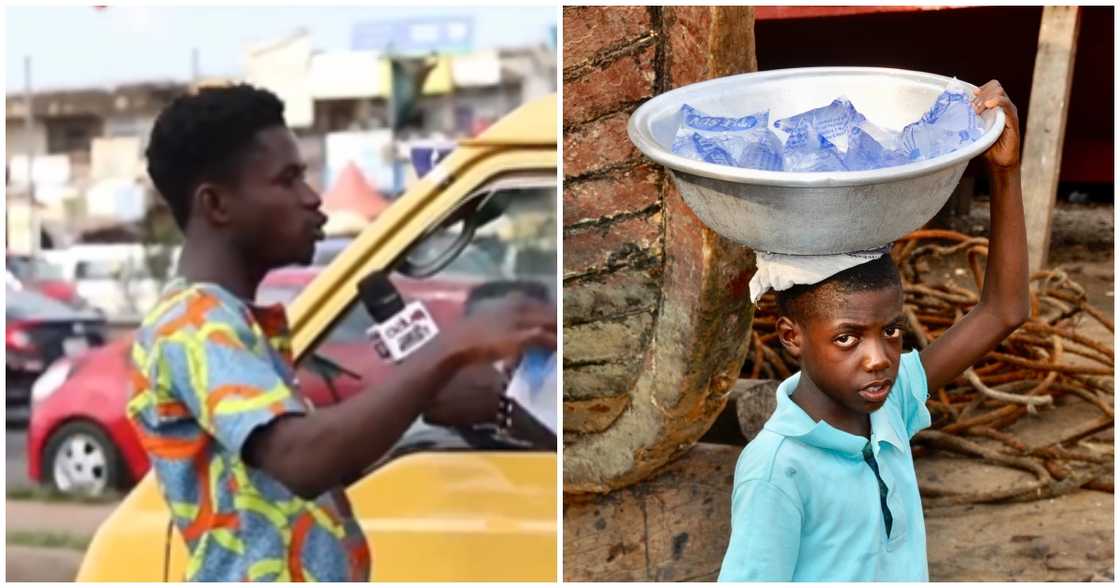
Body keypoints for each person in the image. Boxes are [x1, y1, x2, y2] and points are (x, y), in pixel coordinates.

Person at [127, 85, 555, 582]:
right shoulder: (196, 322)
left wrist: (437, 395)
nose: (312, 197)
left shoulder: (230, 322)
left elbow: (295, 480)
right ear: (217, 204)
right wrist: (450, 348)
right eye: (288, 180)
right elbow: (300, 459)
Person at [718, 81, 1028, 581]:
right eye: (847, 338)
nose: (879, 357)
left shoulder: (890, 407)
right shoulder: (777, 469)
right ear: (791, 336)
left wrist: (1006, 173)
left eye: (891, 331)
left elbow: (1003, 311)